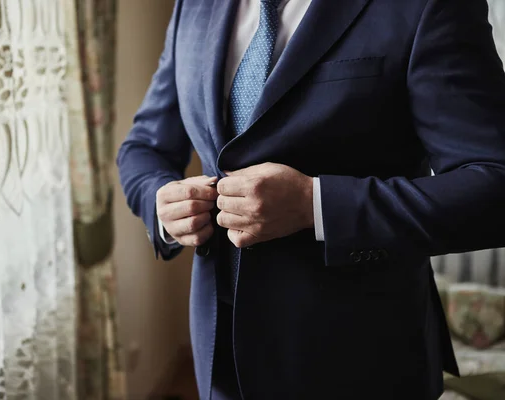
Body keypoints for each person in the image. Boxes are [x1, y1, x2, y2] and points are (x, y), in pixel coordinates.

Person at [117, 0, 505, 398]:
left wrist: (314, 204)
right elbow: (145, 146)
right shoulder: (194, 6)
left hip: (361, 361)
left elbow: (495, 184)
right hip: (218, 355)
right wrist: (161, 202)